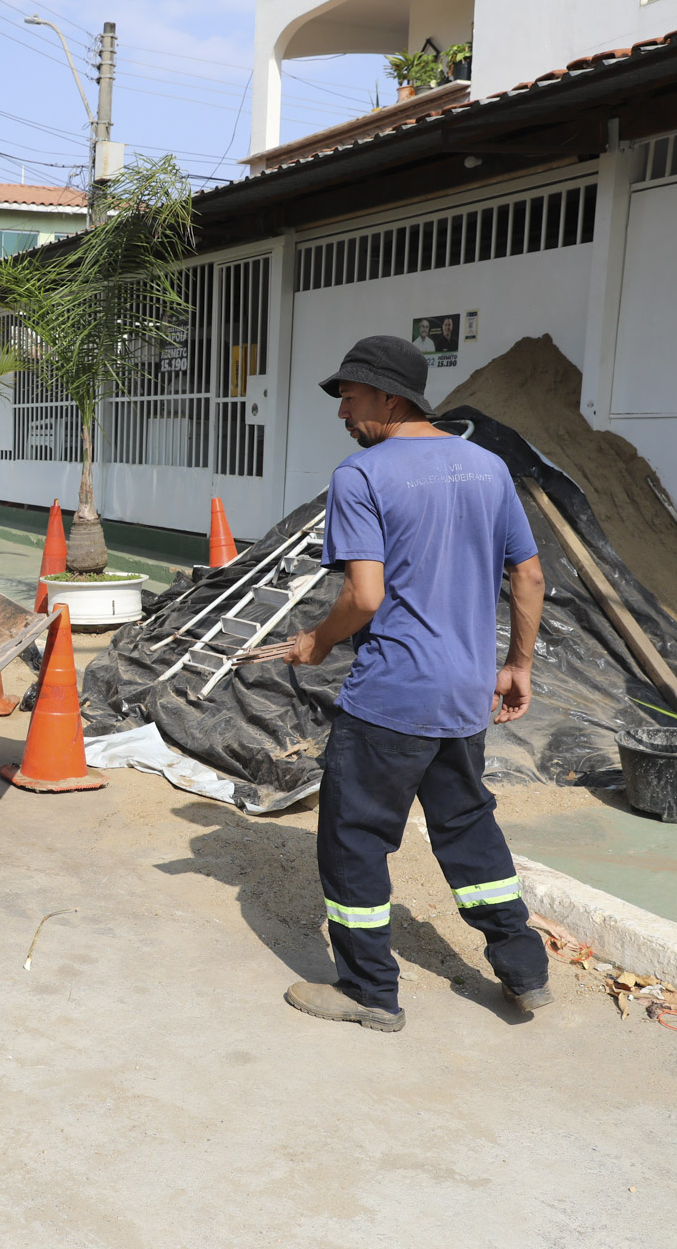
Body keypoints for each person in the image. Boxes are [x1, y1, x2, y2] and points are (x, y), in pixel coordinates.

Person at [280, 334, 550, 1033]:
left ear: (390, 397)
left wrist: (316, 639)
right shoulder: (487, 468)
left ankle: (371, 993)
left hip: (392, 698)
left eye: (350, 397)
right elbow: (528, 575)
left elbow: (364, 597)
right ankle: (525, 971)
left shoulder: (361, 477)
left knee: (355, 840)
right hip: (464, 696)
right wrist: (517, 665)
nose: (342, 413)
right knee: (468, 830)